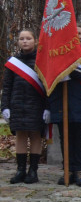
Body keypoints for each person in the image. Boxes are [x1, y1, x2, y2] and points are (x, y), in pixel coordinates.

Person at [48, 28, 81, 186]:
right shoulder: (58, 54)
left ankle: (80, 170)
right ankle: (68, 169)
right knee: (65, 138)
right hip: (60, 102)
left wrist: (73, 70)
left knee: (80, 138)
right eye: (78, 34)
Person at [2, 29, 48, 184]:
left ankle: (33, 171)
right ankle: (20, 170)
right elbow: (7, 87)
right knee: (20, 135)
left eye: (28, 38)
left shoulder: (42, 61)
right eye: (22, 38)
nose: (25, 41)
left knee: (35, 135)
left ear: (35, 41)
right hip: (18, 104)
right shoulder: (13, 62)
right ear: (18, 42)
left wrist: (48, 107)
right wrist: (5, 107)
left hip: (37, 105)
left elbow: (48, 87)